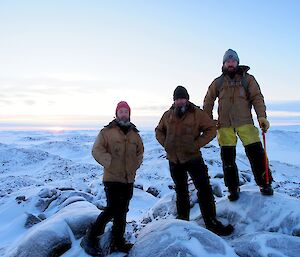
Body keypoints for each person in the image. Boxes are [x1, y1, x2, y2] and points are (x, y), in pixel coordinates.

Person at [155, 86, 233, 236]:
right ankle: (183, 221)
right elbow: (159, 130)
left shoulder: (197, 113)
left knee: (204, 189)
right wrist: (166, 144)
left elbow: (211, 128)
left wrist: (196, 144)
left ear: (187, 99)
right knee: (181, 190)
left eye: (182, 98)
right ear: (174, 100)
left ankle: (211, 222)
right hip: (174, 159)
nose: (180, 101)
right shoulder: (168, 115)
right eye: (177, 99)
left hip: (193, 158)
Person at [203, 49, 273, 201]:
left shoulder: (248, 80)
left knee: (256, 154)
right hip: (225, 125)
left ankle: (265, 183)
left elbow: (257, 98)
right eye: (228, 61)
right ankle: (233, 188)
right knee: (228, 158)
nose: (230, 63)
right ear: (223, 64)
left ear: (237, 62)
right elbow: (208, 101)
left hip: (245, 123)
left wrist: (262, 117)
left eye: (233, 61)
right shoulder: (218, 82)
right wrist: (208, 120)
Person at [81, 101, 144, 256]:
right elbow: (96, 149)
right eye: (121, 111)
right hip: (112, 177)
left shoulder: (135, 134)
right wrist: (108, 162)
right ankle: (91, 236)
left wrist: (134, 166)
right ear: (116, 114)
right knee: (112, 209)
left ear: (129, 114)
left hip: (128, 179)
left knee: (122, 211)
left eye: (126, 111)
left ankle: (118, 241)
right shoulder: (106, 132)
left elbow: (140, 152)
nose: (123, 114)